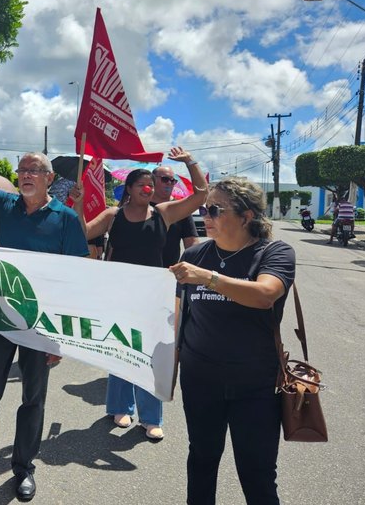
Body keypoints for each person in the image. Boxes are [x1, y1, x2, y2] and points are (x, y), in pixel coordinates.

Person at [0, 152, 88, 502]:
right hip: (1, 316)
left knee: (32, 399)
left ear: (49, 180)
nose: (26, 175)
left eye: (35, 170)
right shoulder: (2, 202)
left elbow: (76, 275)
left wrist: (61, 337)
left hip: (41, 322)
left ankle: (24, 468)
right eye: (22, 170)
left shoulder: (66, 218)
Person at [168, 177, 295, 504]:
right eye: (203, 209)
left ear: (246, 215)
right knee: (201, 460)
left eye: (214, 209)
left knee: (257, 473)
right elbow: (178, 314)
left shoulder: (273, 253)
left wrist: (208, 278)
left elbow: (265, 295)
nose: (205, 216)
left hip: (255, 386)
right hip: (200, 381)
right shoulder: (196, 254)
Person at [73, 147, 207, 440]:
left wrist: (189, 162)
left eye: (152, 184)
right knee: (120, 348)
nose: (150, 188)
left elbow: (200, 196)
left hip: (153, 293)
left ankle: (150, 417)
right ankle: (120, 407)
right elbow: (80, 234)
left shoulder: (165, 213)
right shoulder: (113, 215)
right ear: (130, 190)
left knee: (151, 354)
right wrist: (79, 204)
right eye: (142, 184)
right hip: (119, 292)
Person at [151, 165, 200, 267]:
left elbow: (192, 242)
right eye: (165, 179)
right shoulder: (142, 206)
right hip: (138, 269)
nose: (169, 183)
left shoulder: (180, 208)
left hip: (168, 272)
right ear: (153, 179)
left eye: (173, 181)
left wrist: (190, 267)